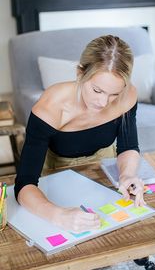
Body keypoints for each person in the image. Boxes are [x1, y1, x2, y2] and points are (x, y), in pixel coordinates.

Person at [14, 34, 145, 234]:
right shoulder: (50, 107)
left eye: (114, 94)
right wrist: (59, 215)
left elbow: (128, 147)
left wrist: (127, 175)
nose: (103, 103)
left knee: (114, 229)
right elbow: (24, 184)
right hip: (56, 171)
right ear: (79, 73)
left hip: (104, 167)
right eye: (97, 90)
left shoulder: (128, 97)